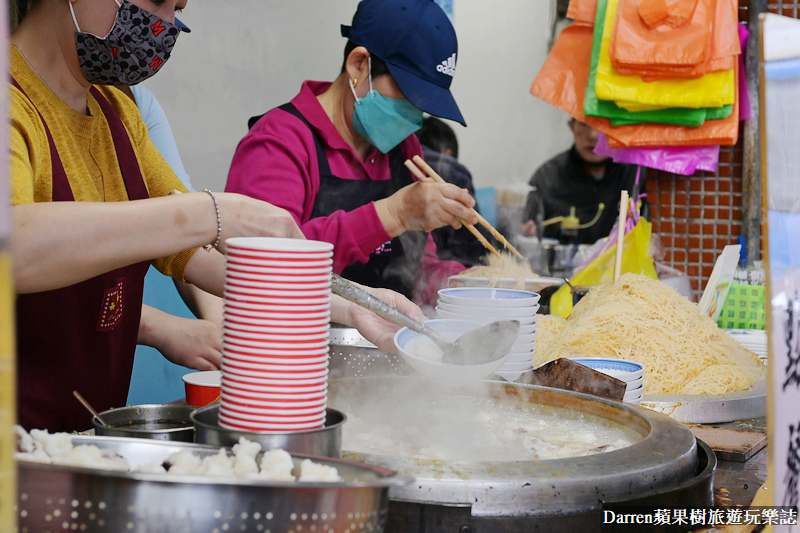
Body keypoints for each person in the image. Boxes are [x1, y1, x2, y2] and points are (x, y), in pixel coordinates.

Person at [10, 0, 425, 433]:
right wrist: (212, 211)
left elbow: (193, 253)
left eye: (177, 8)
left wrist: (355, 306)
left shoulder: (115, 110)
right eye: (157, 1)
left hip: (71, 447)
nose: (165, 25)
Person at [225, 0, 478, 309]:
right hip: (293, 347)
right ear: (359, 65)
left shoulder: (404, 151)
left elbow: (416, 263)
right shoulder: (278, 143)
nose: (414, 116)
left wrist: (453, 284)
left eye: (423, 105)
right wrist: (392, 214)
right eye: (409, 97)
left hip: (384, 349)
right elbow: (267, 270)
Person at [520, 117, 640, 245]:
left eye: (602, 124)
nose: (593, 135)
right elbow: (526, 227)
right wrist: (526, 233)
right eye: (584, 124)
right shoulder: (548, 177)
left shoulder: (636, 175)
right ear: (571, 126)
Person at [417, 116, 488, 267]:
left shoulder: (398, 161)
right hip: (447, 272)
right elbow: (476, 245)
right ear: (449, 154)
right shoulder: (456, 174)